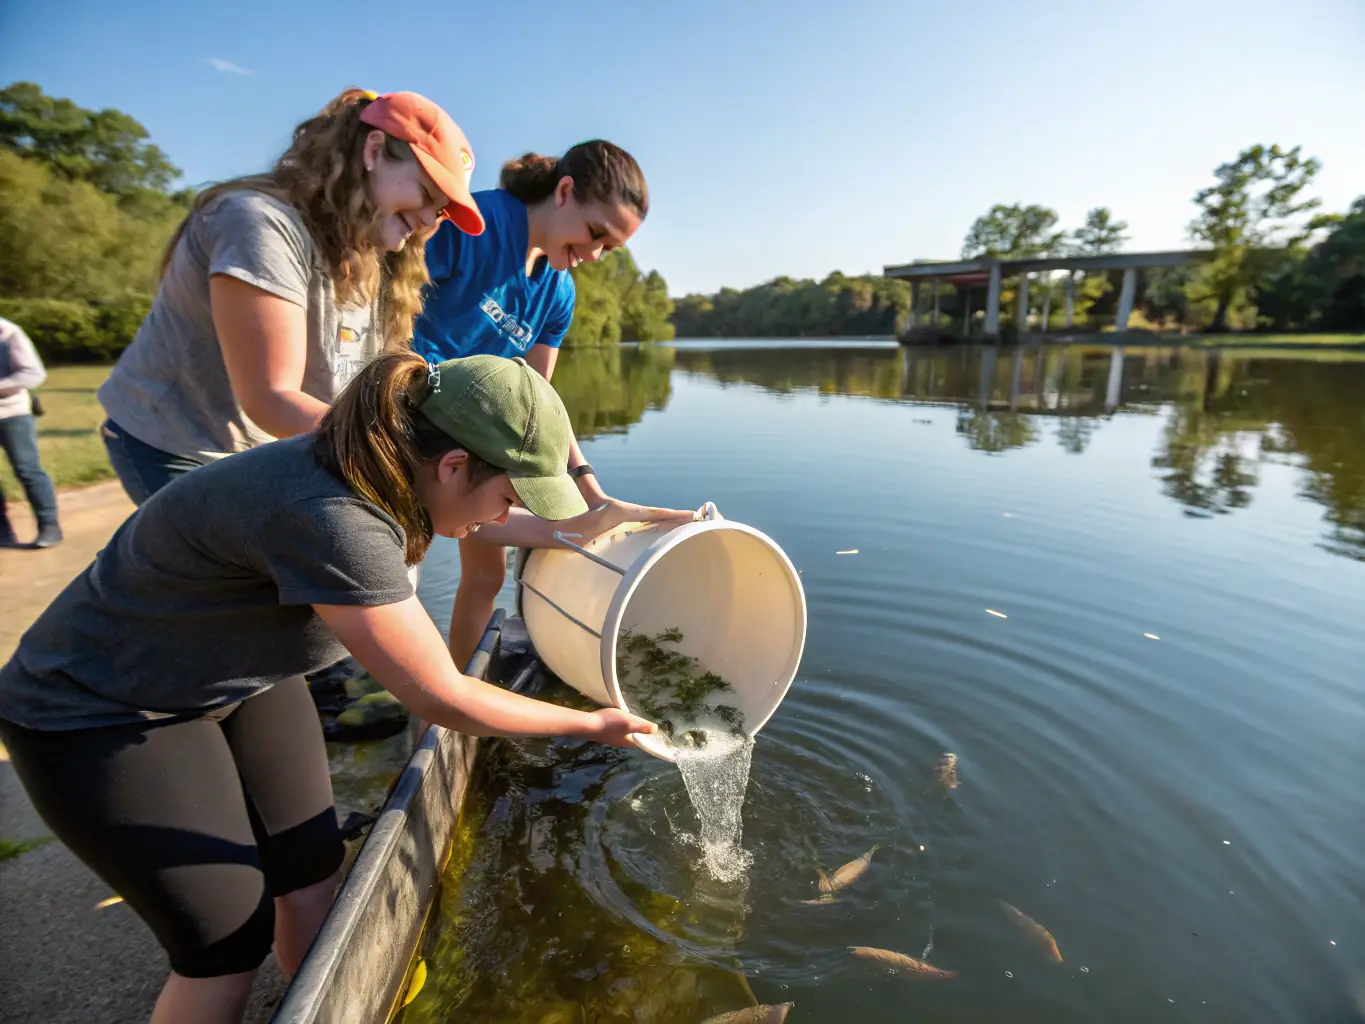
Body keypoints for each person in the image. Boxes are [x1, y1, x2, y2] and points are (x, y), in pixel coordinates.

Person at [0, 351, 660, 1024]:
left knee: (311, 869)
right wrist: (593, 723)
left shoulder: (383, 461)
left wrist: (587, 526)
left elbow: (478, 517)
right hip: (98, 710)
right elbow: (440, 695)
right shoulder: (331, 513)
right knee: (226, 945)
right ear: (454, 465)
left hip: (236, 677)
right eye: (510, 496)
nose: (505, 517)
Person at [96, 87, 485, 503]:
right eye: (427, 194)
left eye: (441, 210)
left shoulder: (374, 251)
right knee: (233, 566)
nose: (428, 219)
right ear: (373, 151)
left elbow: (354, 389)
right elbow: (272, 398)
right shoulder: (259, 224)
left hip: (267, 447)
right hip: (180, 444)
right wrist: (405, 458)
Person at [411, 140, 678, 668]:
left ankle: (458, 698)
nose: (596, 255)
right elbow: (384, 308)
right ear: (564, 192)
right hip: (412, 416)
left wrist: (590, 488)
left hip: (483, 432)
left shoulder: (558, 291)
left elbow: (539, 400)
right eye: (596, 233)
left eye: (612, 249)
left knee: (488, 575)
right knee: (406, 553)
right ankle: (427, 691)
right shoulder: (473, 223)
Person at [0, 316, 62, 548]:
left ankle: (49, 527)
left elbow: (33, 373)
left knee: (27, 469)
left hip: (12, 414)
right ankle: (3, 533)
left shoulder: (7, 333)